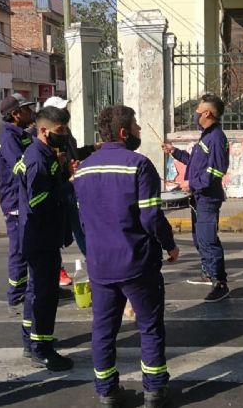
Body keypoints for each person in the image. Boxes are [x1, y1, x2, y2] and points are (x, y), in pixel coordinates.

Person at [74, 105, 179, 408]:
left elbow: (84, 222)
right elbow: (150, 218)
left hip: (100, 265)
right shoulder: (139, 165)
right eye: (135, 125)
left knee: (104, 330)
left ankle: (107, 392)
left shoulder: (84, 168)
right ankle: (154, 392)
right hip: (137, 263)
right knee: (149, 326)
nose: (139, 131)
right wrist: (169, 245)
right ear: (123, 132)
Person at [14, 105, 74, 371]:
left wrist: (60, 171)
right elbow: (38, 200)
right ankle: (42, 348)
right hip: (40, 236)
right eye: (60, 131)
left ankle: (31, 340)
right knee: (45, 294)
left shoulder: (43, 153)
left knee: (35, 291)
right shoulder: (37, 159)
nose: (64, 135)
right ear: (43, 131)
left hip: (40, 234)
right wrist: (67, 184)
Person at [162, 93, 230, 302]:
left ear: (207, 113)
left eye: (198, 111)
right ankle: (207, 272)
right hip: (198, 197)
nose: (195, 115)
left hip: (208, 198)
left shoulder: (216, 138)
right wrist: (175, 152)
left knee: (209, 240)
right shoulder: (206, 136)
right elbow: (195, 163)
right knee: (199, 239)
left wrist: (192, 183)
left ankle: (220, 283)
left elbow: (218, 170)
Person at [42, 96, 98, 286]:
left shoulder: (64, 132)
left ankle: (94, 262)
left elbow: (73, 153)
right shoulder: (45, 140)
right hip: (61, 189)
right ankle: (58, 271)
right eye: (61, 109)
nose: (66, 112)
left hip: (71, 185)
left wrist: (92, 149)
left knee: (79, 226)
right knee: (58, 232)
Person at [0, 95, 35, 306]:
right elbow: (21, 168)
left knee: (33, 247)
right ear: (15, 114)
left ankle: (34, 287)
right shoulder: (9, 139)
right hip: (16, 202)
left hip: (25, 199)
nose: (32, 112)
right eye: (27, 109)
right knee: (19, 249)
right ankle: (17, 292)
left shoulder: (22, 135)